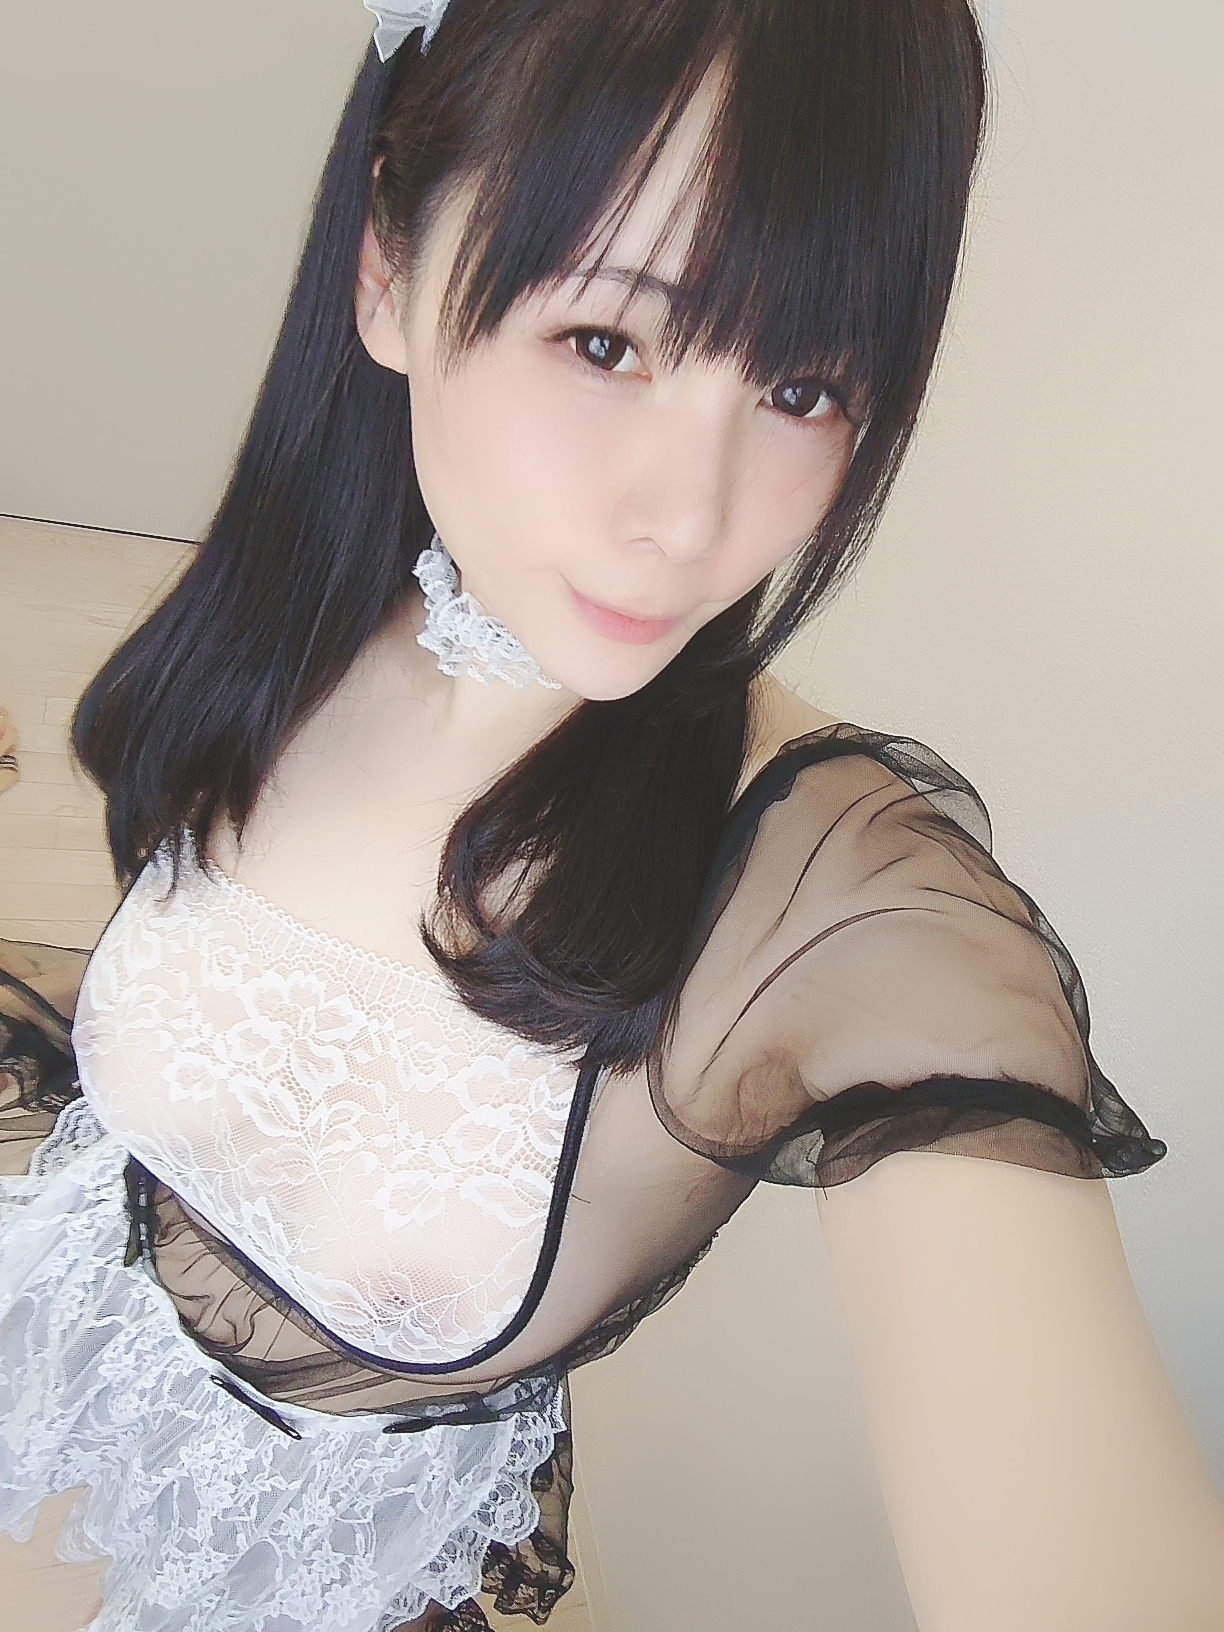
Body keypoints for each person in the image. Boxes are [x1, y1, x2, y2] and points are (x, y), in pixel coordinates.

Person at [1, 1, 1221, 1628]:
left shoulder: (834, 900)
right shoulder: (325, 615)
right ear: (387, 263)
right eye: (605, 343)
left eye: (804, 386)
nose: (690, 517)